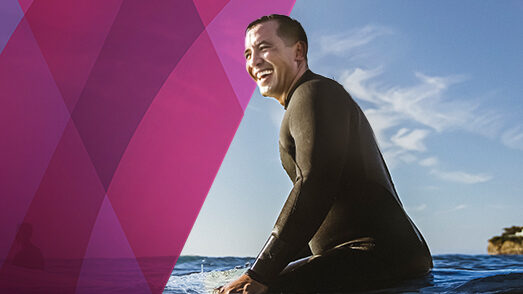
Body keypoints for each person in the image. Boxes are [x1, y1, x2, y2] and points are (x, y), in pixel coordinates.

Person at [217, 14, 433, 294]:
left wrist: (260, 274)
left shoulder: (314, 93)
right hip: (378, 256)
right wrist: (261, 267)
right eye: (248, 53)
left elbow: (315, 183)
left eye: (264, 47)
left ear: (298, 51)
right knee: (225, 286)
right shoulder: (307, 99)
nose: (253, 61)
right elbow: (325, 211)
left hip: (377, 255)